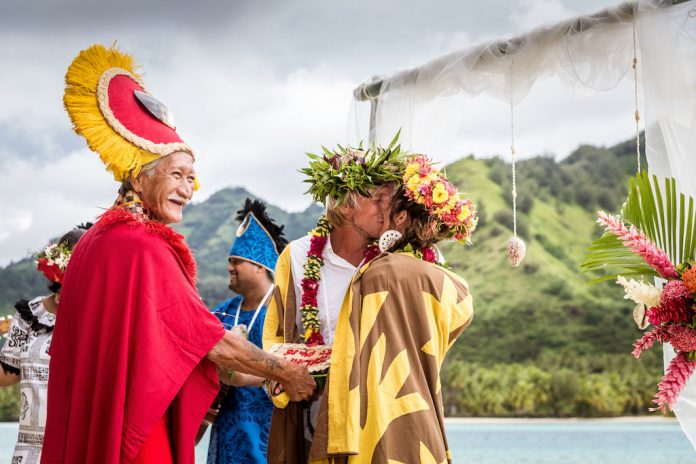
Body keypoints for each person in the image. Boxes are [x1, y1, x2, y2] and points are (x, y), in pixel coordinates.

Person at [42, 44, 314, 464]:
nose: (188, 189)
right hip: (135, 433)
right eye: (177, 175)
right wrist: (286, 372)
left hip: (94, 424)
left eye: (191, 177)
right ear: (138, 175)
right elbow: (211, 342)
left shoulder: (98, 239)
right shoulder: (142, 245)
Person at [308, 154, 478, 463]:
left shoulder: (374, 273)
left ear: (400, 218)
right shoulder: (455, 286)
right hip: (424, 416)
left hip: (375, 420)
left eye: (391, 204)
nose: (384, 211)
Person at [262, 136, 402, 462]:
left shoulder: (396, 259)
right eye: (379, 198)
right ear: (345, 203)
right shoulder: (296, 256)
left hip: (383, 415)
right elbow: (276, 338)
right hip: (318, 414)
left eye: (391, 200)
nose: (388, 209)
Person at [0, 224, 90, 464]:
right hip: (30, 448)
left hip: (78, 445)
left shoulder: (99, 317)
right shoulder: (30, 313)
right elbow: (7, 374)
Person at [207, 198, 288, 464]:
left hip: (270, 432)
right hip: (227, 432)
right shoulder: (221, 312)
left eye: (236, 261)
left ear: (260, 266)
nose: (229, 267)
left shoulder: (283, 310)